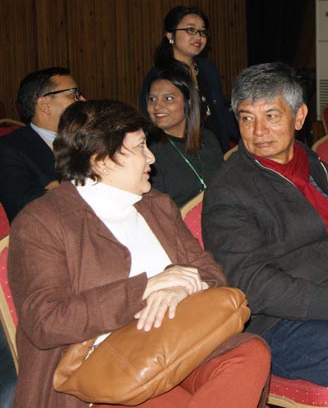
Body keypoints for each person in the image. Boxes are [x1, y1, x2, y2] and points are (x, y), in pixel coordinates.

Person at [8, 100, 270, 408]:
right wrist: (145, 289)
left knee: (250, 353)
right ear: (102, 160)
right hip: (100, 368)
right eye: (140, 147)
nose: (151, 157)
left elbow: (212, 275)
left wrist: (181, 287)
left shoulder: (156, 205)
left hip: (178, 342)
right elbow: (45, 321)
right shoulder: (43, 221)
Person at [201, 63, 328, 401]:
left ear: (299, 116)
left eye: (271, 116)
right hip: (279, 323)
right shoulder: (229, 191)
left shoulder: (312, 164)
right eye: (247, 118)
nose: (258, 131)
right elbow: (251, 282)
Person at [139, 5, 238, 151]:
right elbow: (153, 122)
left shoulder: (207, 69)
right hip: (181, 152)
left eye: (202, 32)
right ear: (170, 35)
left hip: (216, 149)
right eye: (190, 30)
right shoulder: (159, 76)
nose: (198, 37)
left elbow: (220, 113)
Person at [0, 67, 84, 223]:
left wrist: (58, 190)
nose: (82, 100)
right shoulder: (9, 149)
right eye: (73, 95)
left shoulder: (93, 138)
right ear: (44, 104)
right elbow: (25, 208)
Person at [146, 65, 224, 207]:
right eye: (152, 99)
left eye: (168, 98)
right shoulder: (147, 150)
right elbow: (158, 209)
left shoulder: (208, 138)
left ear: (188, 102)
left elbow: (225, 186)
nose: (157, 106)